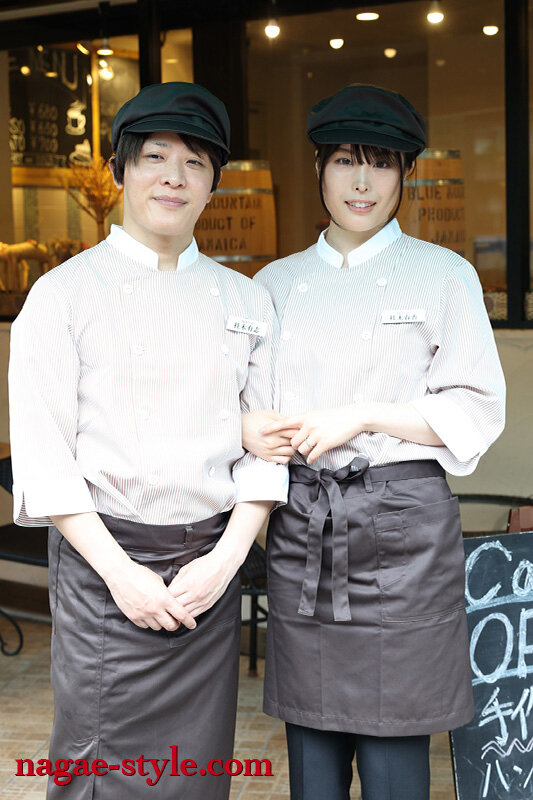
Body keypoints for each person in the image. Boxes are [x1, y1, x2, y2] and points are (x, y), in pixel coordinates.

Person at [9, 81, 287, 800]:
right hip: (104, 566)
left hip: (208, 574)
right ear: (119, 170)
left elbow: (267, 452)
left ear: (213, 183)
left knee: (195, 775)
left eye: (195, 163)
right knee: (98, 773)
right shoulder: (63, 295)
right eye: (155, 157)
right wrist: (120, 574)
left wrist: (227, 560)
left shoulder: (246, 301)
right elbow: (44, 458)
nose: (174, 177)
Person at [242, 84, 506, 800]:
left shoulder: (443, 275)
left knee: (395, 764)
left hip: (405, 533)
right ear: (318, 168)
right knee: (313, 758)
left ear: (405, 174)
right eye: (344, 162)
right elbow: (249, 413)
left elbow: (477, 408)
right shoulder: (274, 285)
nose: (362, 183)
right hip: (306, 526)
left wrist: (363, 415)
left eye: (381, 163)